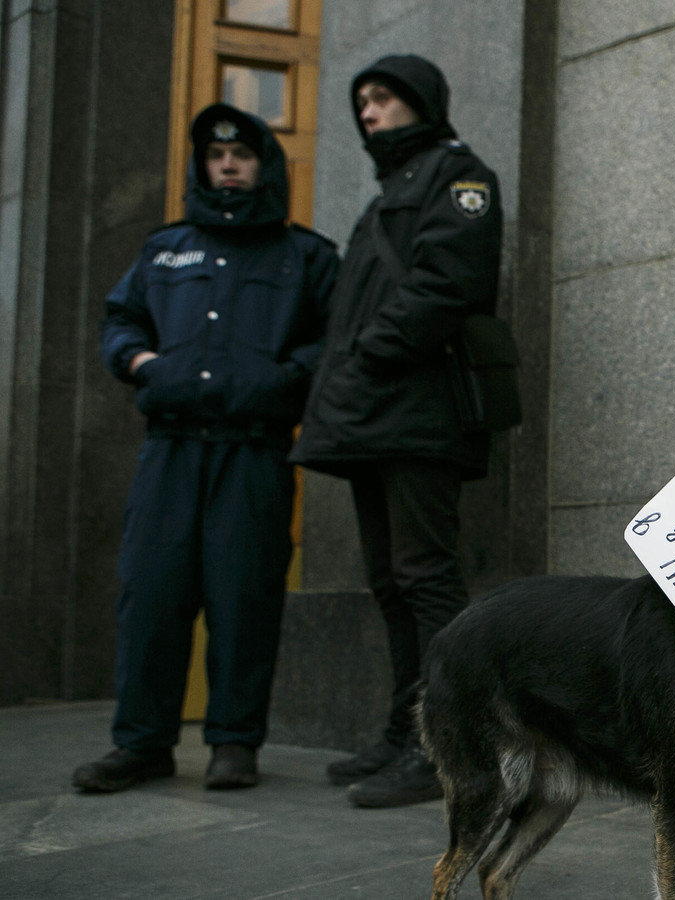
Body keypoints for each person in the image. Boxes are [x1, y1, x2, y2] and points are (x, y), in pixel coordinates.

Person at [76, 104, 338, 793]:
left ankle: (234, 741)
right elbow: (121, 319)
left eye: (242, 155)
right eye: (216, 156)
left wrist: (282, 380)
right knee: (152, 595)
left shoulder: (305, 256)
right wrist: (140, 364)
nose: (227, 165)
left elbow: (334, 339)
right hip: (169, 450)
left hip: (253, 453)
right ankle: (142, 744)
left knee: (243, 596)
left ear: (264, 166)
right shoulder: (164, 250)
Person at [290, 54, 504, 808]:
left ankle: (443, 744)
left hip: (418, 414)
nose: (369, 112)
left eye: (383, 98)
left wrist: (367, 352)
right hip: (376, 416)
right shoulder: (394, 188)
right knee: (391, 582)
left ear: (422, 103)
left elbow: (451, 283)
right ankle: (403, 727)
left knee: (424, 578)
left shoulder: (459, 176)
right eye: (363, 102)